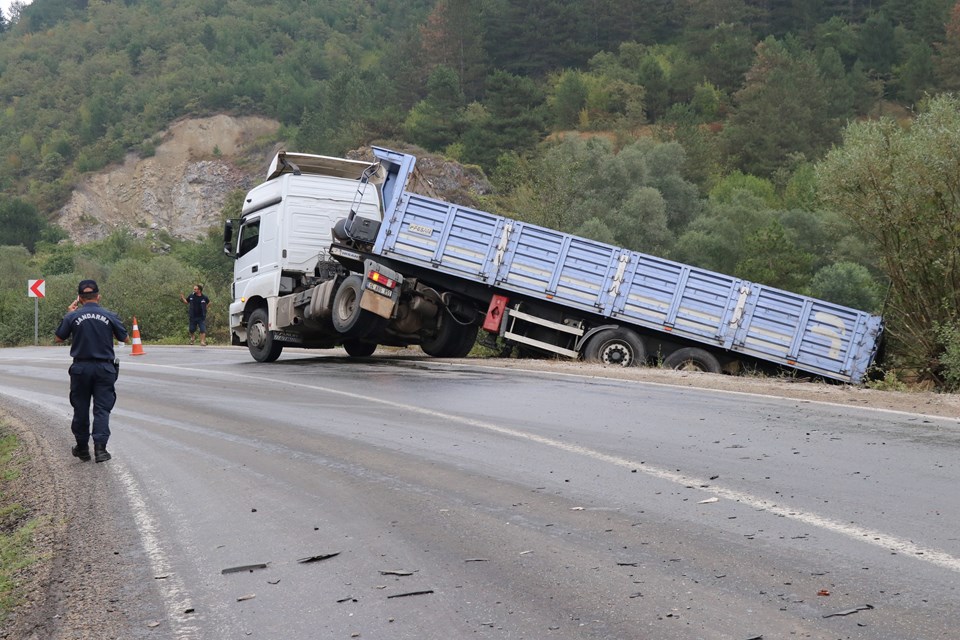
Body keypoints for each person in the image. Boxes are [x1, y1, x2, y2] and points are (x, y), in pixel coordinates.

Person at [55, 279, 129, 463]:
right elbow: (126, 338)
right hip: (104, 368)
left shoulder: (72, 316)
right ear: (98, 296)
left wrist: (69, 314)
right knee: (102, 409)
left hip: (81, 368)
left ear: (79, 298)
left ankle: (82, 448)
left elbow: (58, 338)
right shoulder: (110, 315)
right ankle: (100, 449)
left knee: (80, 408)